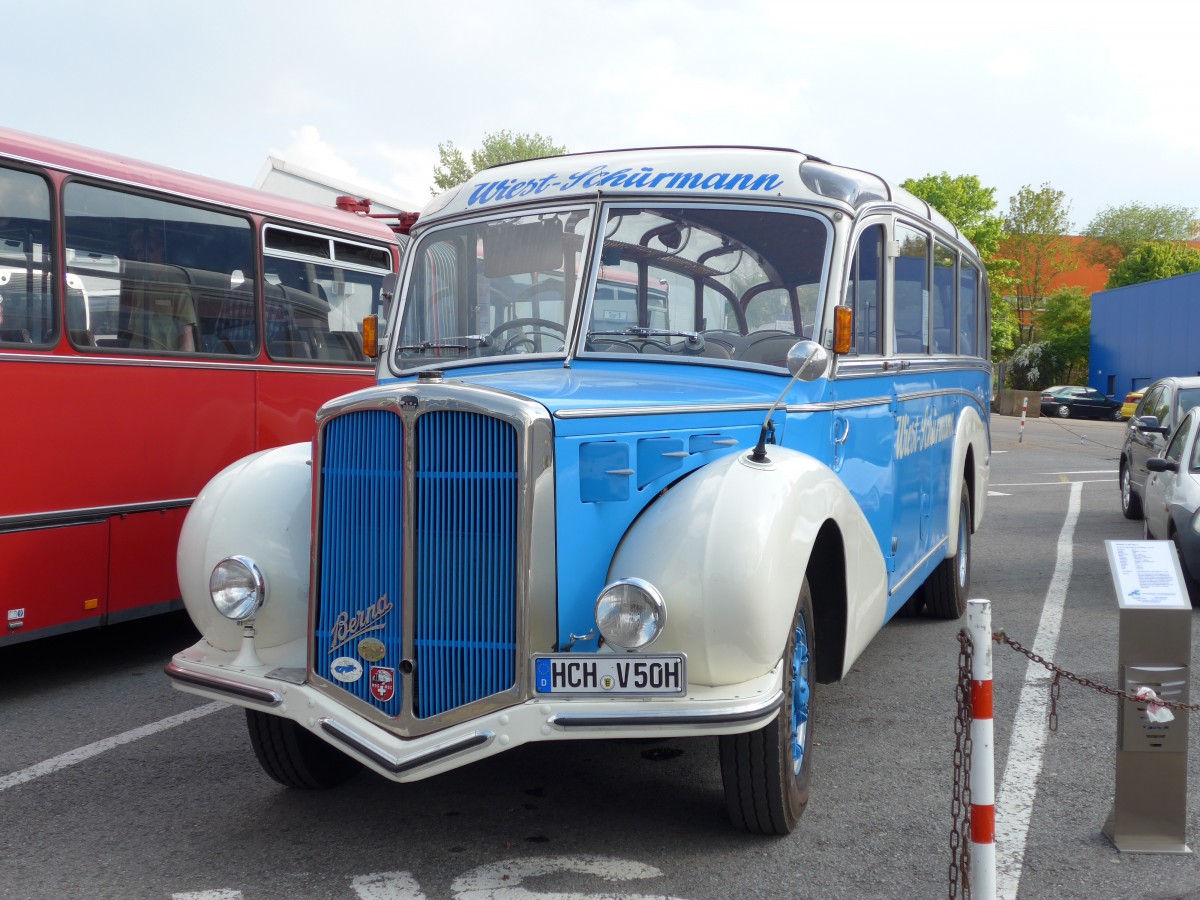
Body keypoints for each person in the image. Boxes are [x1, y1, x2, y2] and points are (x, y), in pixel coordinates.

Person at [122, 225, 196, 351]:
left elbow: (186, 334)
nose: (144, 256)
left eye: (149, 250)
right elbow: (133, 329)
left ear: (160, 250)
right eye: (139, 252)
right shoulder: (138, 285)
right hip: (138, 359)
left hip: (164, 362)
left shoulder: (176, 286)